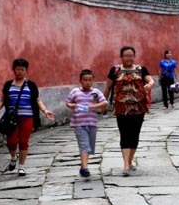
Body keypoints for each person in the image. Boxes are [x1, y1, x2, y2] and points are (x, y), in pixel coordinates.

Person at [0, 57, 55, 176]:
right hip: (12, 118)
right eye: (17, 69)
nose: (19, 72)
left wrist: (45, 110)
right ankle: (13, 157)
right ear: (14, 70)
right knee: (11, 142)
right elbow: (2, 101)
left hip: (27, 117)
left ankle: (21, 167)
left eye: (22, 70)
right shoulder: (9, 85)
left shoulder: (31, 85)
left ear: (26, 71)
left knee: (24, 141)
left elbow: (37, 100)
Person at [105, 45, 154, 176]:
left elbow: (150, 80)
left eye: (131, 55)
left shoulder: (141, 69)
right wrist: (103, 103)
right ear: (121, 57)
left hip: (139, 108)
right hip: (121, 108)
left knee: (135, 135)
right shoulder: (115, 70)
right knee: (124, 134)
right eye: (126, 55)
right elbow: (108, 87)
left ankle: (130, 160)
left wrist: (149, 84)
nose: (128, 58)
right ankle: (126, 164)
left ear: (134, 56)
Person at [66, 69, 108, 178]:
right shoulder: (75, 92)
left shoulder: (96, 92)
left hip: (92, 123)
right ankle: (85, 168)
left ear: (93, 81)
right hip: (79, 123)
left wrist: (94, 106)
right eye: (85, 80)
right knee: (84, 145)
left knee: (89, 147)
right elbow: (68, 102)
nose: (87, 82)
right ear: (80, 81)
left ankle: (82, 166)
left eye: (90, 80)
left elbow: (104, 102)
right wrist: (72, 106)